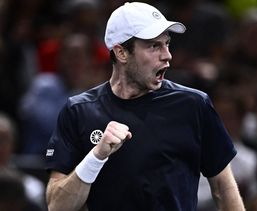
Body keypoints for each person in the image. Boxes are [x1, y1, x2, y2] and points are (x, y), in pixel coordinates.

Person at [45, 2, 245, 211]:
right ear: (121, 53)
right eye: (154, 46)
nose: (167, 55)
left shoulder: (194, 105)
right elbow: (58, 207)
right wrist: (96, 157)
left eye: (167, 44)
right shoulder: (78, 111)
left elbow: (223, 188)